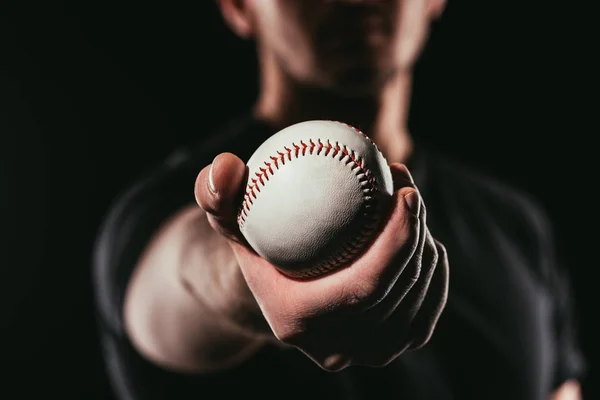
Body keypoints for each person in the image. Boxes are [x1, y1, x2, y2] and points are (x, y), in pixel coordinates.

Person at [92, 1, 586, 399]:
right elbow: (184, 278)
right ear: (240, 8)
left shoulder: (517, 224)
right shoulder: (159, 211)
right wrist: (248, 276)